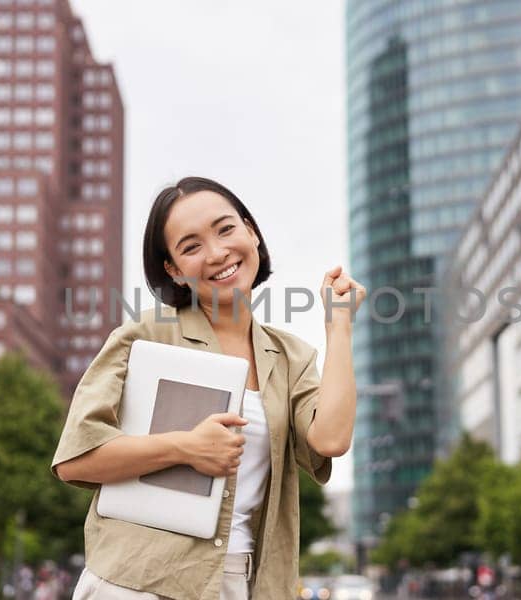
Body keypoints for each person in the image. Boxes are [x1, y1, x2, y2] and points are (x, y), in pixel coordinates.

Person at [53, 176, 365, 599]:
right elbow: (77, 458)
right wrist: (184, 448)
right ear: (174, 271)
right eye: (191, 246)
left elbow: (330, 438)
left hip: (243, 583)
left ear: (251, 231)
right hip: (140, 582)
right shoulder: (145, 335)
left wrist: (339, 326)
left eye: (225, 229)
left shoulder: (291, 357)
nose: (217, 253)